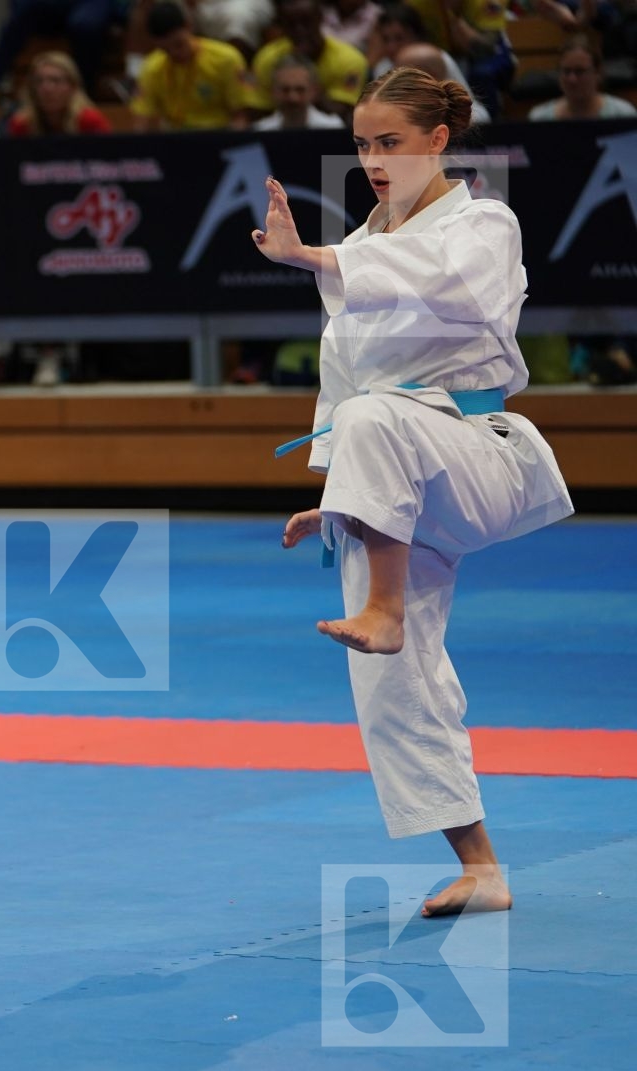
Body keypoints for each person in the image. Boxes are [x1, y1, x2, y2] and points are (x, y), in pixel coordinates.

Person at [253, 67, 572, 917]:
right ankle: (481, 866)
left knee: (372, 418)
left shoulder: (484, 224)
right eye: (361, 144)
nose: (373, 159)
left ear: (438, 141)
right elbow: (346, 379)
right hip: (398, 469)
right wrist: (346, 497)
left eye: (389, 142)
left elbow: (447, 290)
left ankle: (386, 605)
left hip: (478, 451)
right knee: (393, 681)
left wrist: (312, 257)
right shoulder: (364, 241)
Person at [131, 2, 254, 130]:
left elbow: (240, 116)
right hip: (173, 138)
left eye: (179, 45)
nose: (174, 53)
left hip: (217, 134)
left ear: (188, 26)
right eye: (165, 50)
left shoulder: (226, 59)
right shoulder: (151, 67)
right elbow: (142, 120)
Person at [252, 0, 370, 120]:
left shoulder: (349, 59)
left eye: (306, 22)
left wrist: (304, 89)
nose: (300, 30)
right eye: (292, 24)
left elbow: (343, 111)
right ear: (282, 26)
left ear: (320, 19)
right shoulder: (267, 59)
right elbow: (261, 109)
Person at [5, 51, 112, 134]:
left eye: (55, 80)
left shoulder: (90, 121)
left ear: (73, 87)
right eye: (39, 81)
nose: (47, 88)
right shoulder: (22, 124)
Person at [530, 36, 637, 118]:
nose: (572, 79)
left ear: (597, 73)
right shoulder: (540, 117)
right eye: (566, 71)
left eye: (580, 71)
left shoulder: (623, 114)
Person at [255, 55, 349, 126]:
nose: (292, 98)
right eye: (285, 90)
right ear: (273, 91)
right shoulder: (260, 131)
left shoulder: (332, 128)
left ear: (314, 91)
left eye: (300, 90)